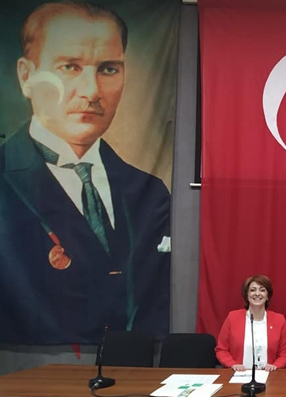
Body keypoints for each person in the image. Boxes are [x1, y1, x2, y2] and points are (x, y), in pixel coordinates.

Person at [0, 2, 171, 344]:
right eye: (69, 67)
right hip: (32, 363)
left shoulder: (151, 192)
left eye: (108, 69)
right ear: (26, 77)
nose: (91, 91)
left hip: (133, 364)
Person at [215, 275, 286, 371]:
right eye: (252, 290)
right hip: (238, 374)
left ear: (268, 296)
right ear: (247, 295)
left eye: (262, 290)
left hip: (269, 375)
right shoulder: (232, 317)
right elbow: (221, 350)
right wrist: (233, 364)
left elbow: (284, 354)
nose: (257, 293)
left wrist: (275, 366)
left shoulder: (279, 320)